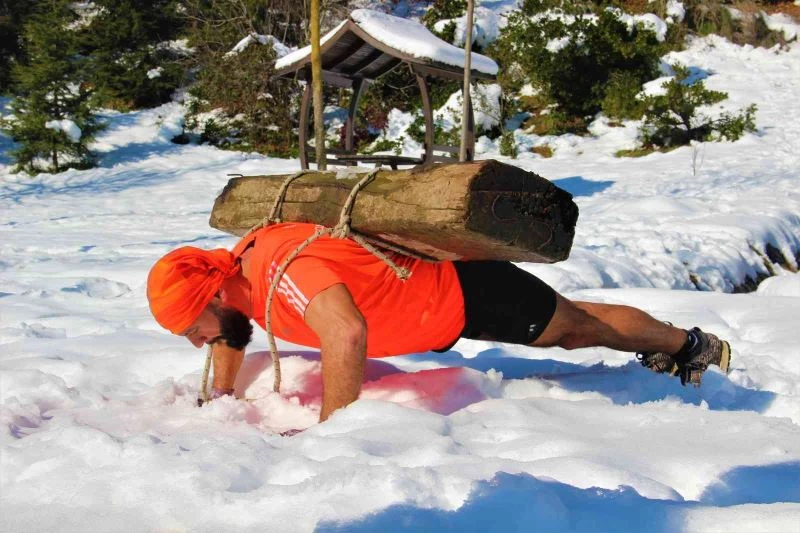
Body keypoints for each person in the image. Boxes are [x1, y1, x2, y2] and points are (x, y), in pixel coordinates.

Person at [146, 222, 731, 422]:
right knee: (578, 326)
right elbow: (226, 331)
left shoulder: (276, 270)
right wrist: (219, 395)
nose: (198, 339)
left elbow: (346, 332)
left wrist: (335, 437)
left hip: (465, 292)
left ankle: (690, 345)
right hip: (432, 318)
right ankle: (679, 344)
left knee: (578, 329)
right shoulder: (235, 288)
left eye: (192, 325)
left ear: (213, 291)